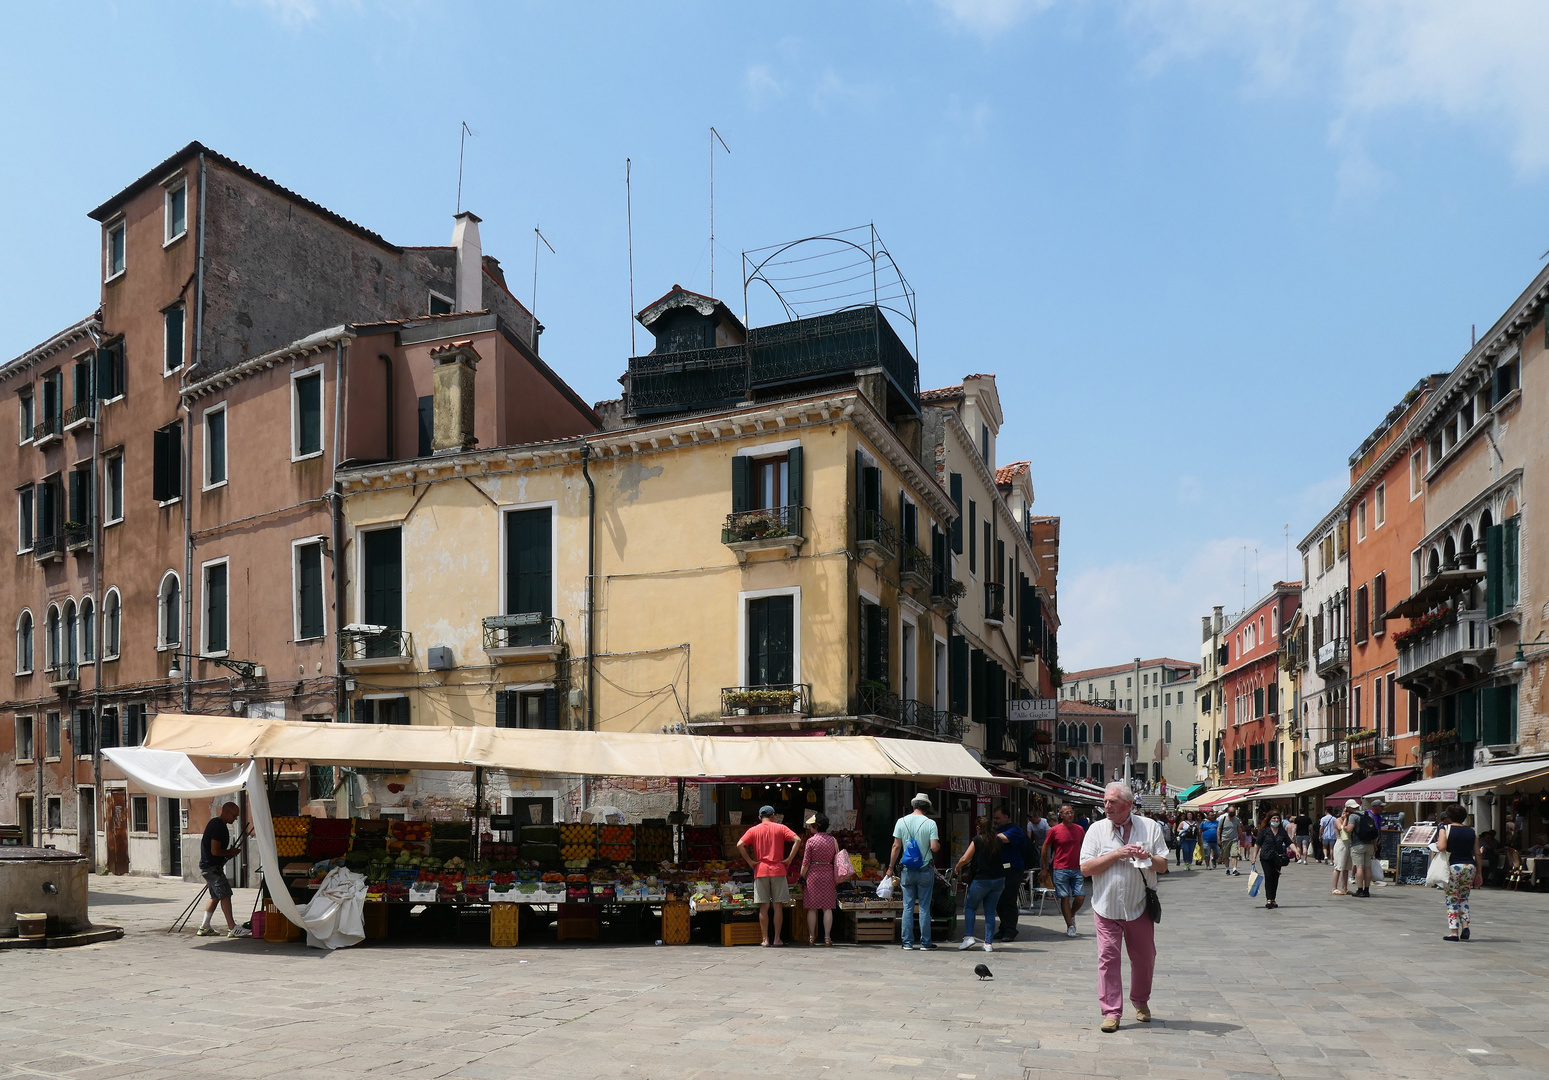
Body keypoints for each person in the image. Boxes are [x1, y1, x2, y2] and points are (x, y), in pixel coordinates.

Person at [1080, 782, 1169, 1033]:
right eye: (1105, 801)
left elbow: (1162, 865)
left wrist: (1147, 858)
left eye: (1113, 802)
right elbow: (1085, 868)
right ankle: (1111, 1011)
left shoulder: (1149, 827)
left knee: (1145, 958)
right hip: (1106, 906)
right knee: (1108, 958)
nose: (1106, 806)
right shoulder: (1096, 830)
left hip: (1139, 905)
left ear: (1128, 805)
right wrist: (1116, 854)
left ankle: (1140, 1001)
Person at [736, 804, 802, 946]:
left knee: (763, 906)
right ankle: (777, 939)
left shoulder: (753, 830)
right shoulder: (780, 828)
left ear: (759, 817)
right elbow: (797, 840)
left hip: (761, 870)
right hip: (778, 869)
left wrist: (750, 862)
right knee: (778, 906)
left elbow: (739, 844)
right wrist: (789, 859)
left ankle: (765, 939)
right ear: (773, 816)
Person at [888, 793, 941, 951]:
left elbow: (896, 846)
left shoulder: (901, 821)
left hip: (907, 870)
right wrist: (938, 846)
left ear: (913, 805)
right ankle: (925, 943)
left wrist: (891, 867)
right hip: (925, 870)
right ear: (927, 807)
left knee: (908, 907)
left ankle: (907, 943)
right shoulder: (930, 823)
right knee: (924, 907)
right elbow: (934, 847)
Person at [196, 802, 250, 938]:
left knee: (215, 896)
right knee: (225, 894)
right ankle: (232, 927)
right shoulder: (218, 826)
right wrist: (228, 852)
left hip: (209, 866)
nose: (236, 819)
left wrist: (228, 853)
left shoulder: (217, 824)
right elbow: (215, 851)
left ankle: (205, 926)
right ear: (226, 812)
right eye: (234, 815)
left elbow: (216, 851)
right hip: (212, 867)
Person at [955, 816, 1006, 952]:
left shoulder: (977, 840)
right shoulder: (999, 840)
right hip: (998, 879)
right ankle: (988, 943)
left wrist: (957, 868)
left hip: (981, 879)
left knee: (970, 907)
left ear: (979, 828)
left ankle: (968, 938)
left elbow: (966, 858)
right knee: (990, 911)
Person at [1041, 804, 1087, 938]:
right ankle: (1070, 925)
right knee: (1064, 897)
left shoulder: (1079, 829)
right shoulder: (1054, 830)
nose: (1070, 815)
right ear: (1061, 815)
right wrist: (1044, 868)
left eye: (1071, 812)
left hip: (1077, 868)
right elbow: (1045, 848)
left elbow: (1085, 846)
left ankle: (1071, 915)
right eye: (1067, 813)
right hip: (1060, 868)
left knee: (1080, 897)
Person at [1435, 805, 1480, 941]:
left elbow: (1442, 847)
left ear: (1449, 816)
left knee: (1452, 898)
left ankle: (1454, 932)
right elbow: (1477, 852)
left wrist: (1437, 845)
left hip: (1454, 866)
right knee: (1464, 898)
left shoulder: (1445, 829)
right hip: (1469, 866)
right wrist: (1479, 873)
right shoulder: (1471, 832)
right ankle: (1465, 925)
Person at [798, 813, 837, 946]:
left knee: (812, 907)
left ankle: (811, 937)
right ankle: (827, 938)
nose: (810, 828)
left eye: (811, 826)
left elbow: (806, 862)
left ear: (816, 826)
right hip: (828, 874)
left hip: (813, 875)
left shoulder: (811, 841)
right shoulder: (833, 840)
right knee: (827, 907)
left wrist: (802, 876)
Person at [990, 807, 1027, 942]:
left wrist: (988, 834)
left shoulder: (1014, 829)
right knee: (999, 901)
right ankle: (1004, 927)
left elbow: (1004, 839)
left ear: (1006, 817)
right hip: (999, 870)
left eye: (998, 818)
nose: (995, 821)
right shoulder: (997, 830)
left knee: (1009, 899)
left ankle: (1011, 930)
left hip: (1013, 869)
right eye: (994, 818)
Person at [1253, 811, 1293, 909]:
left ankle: (1273, 898)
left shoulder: (1282, 831)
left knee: (1275, 878)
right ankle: (1269, 899)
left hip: (1277, 859)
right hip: (1265, 857)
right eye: (1274, 819)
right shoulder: (1264, 831)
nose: (1276, 820)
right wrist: (1254, 857)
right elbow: (1257, 844)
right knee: (1269, 876)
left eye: (1277, 819)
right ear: (1270, 820)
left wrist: (1296, 851)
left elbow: (1289, 842)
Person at [1349, 798, 1382, 898]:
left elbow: (1349, 829)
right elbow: (1375, 831)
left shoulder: (1353, 816)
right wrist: (1375, 844)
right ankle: (1366, 890)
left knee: (1359, 867)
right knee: (1367, 868)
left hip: (1358, 844)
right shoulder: (1370, 815)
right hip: (1369, 845)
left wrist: (1344, 827)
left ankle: (1359, 890)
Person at [1331, 800, 1356, 895]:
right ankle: (1334, 888)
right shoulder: (1337, 820)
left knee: (1346, 868)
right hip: (1341, 843)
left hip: (1349, 844)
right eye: (1345, 812)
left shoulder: (1351, 820)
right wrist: (1344, 819)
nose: (1347, 814)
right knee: (1338, 867)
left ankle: (1344, 888)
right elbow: (1342, 829)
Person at [1217, 806, 1243, 876]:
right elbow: (1219, 829)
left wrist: (1242, 838)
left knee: (1234, 854)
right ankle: (1227, 868)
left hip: (1234, 839)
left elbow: (1239, 829)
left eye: (1233, 812)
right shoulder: (1223, 819)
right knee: (1225, 855)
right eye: (1231, 812)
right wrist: (1218, 839)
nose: (1232, 813)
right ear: (1228, 812)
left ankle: (1234, 869)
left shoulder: (1236, 820)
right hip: (1225, 839)